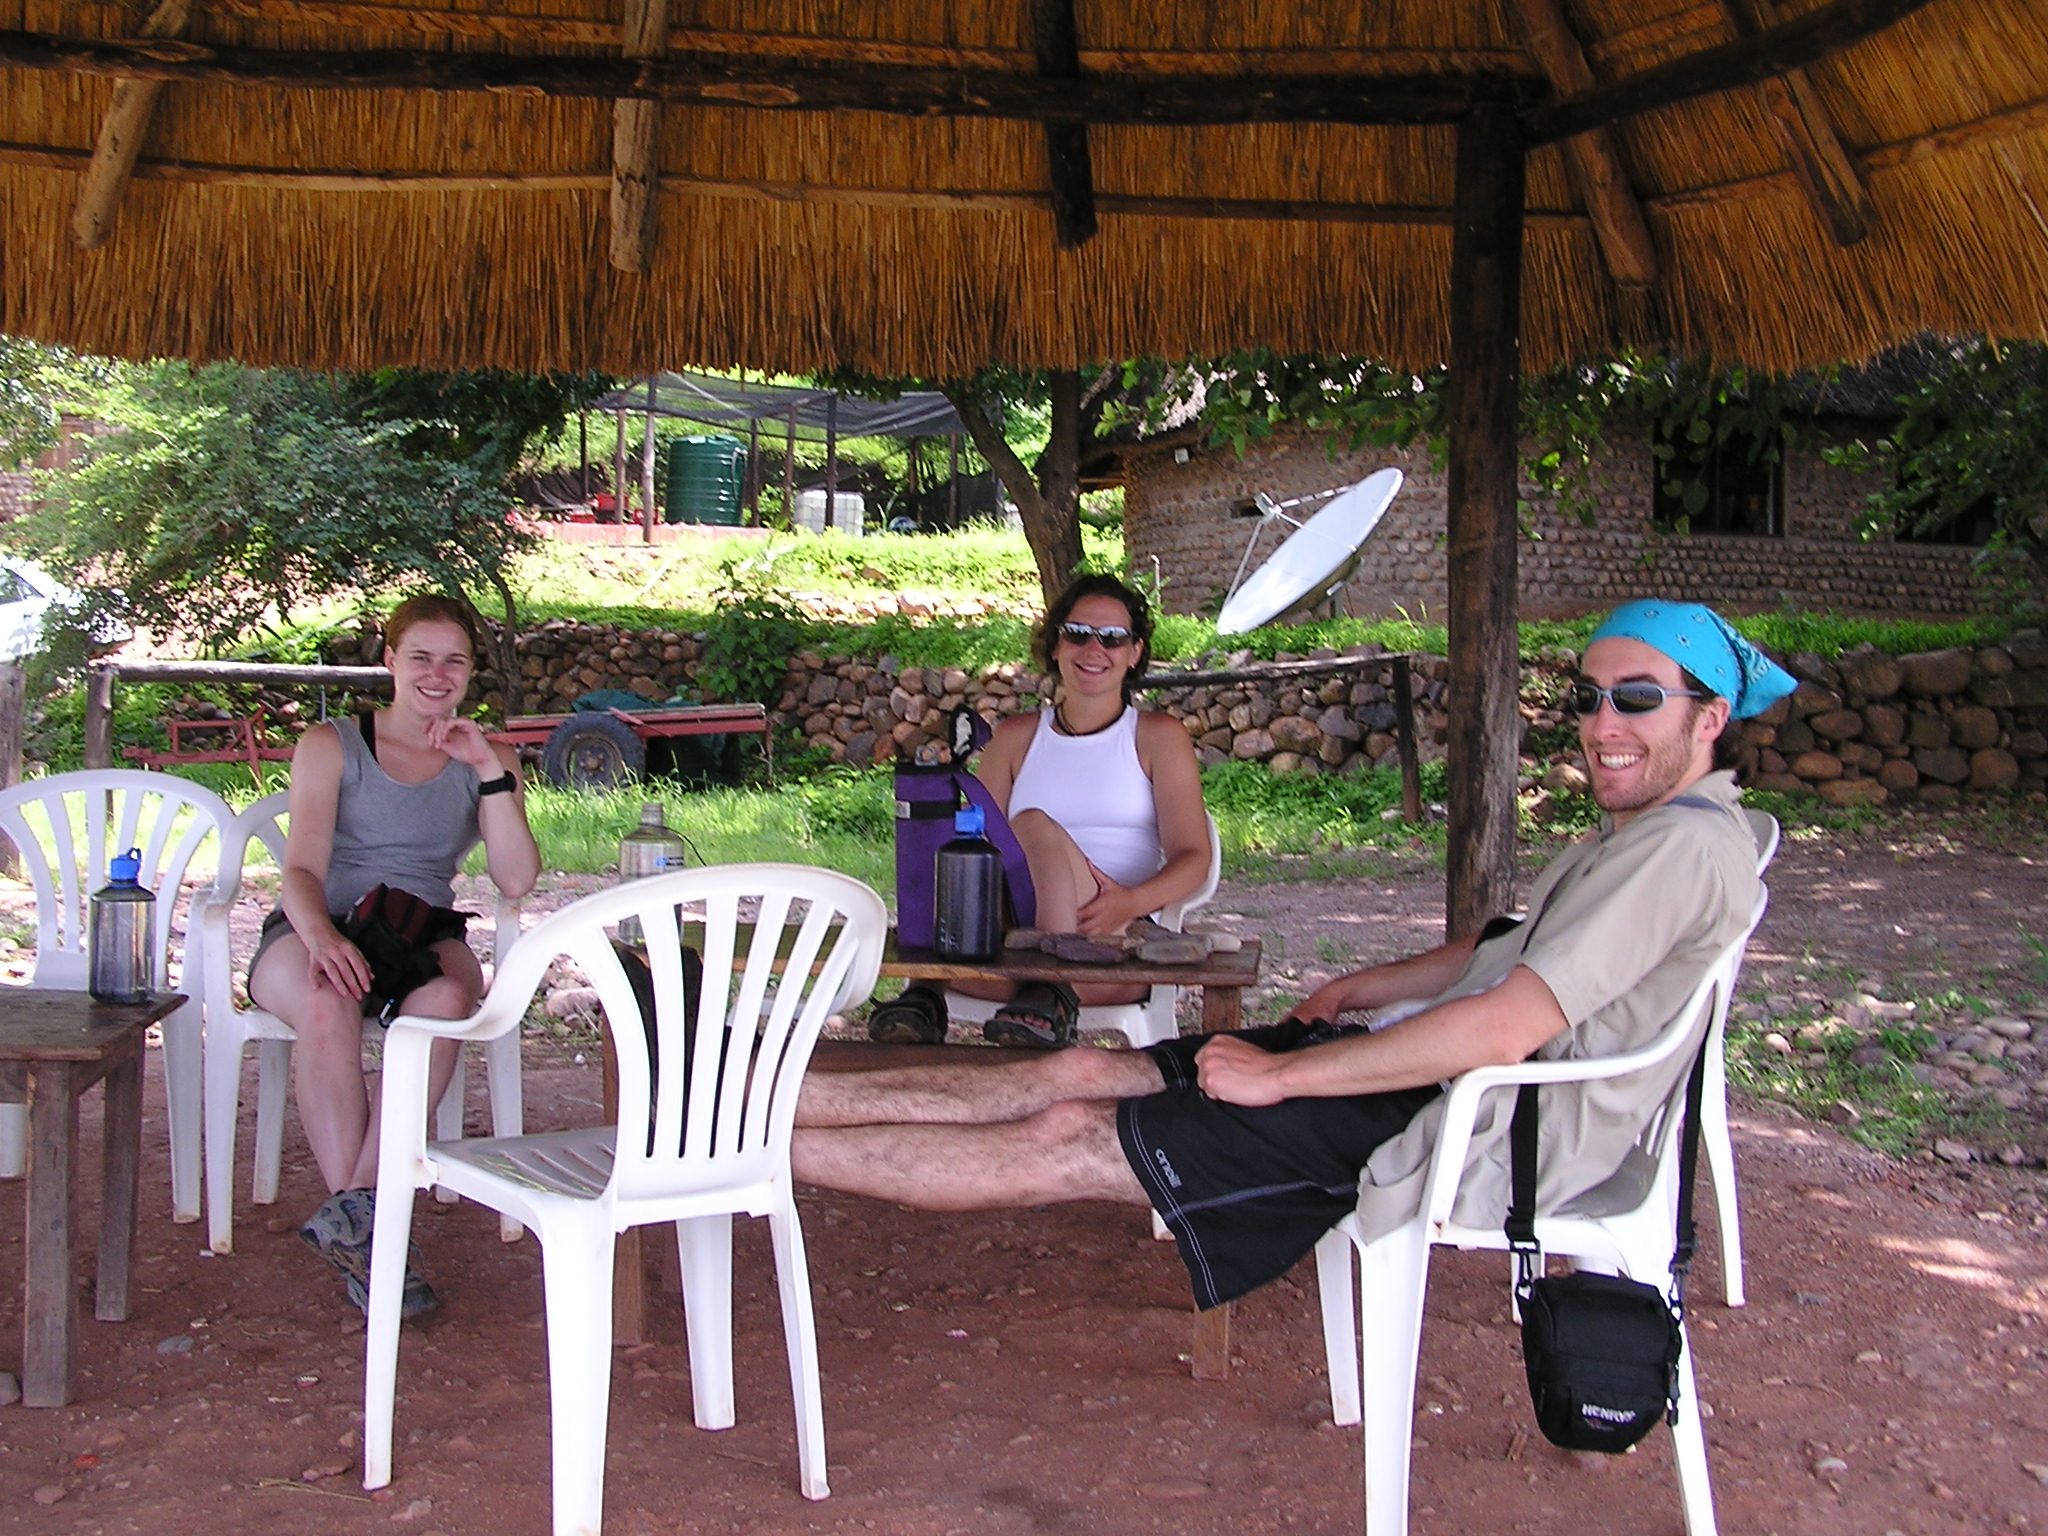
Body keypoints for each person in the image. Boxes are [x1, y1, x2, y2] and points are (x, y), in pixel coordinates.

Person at [796, 600, 1794, 1310]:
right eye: (1587, 698)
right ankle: (757, 1108)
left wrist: (1285, 1076)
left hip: (1467, 1126)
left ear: (1708, 719)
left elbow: (1500, 1026)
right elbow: (1498, 959)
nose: (1601, 723)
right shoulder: (1648, 836)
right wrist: (1368, 986)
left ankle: (751, 1152)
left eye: (1635, 699)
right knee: (1069, 1069)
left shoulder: (1678, 852)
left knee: (1067, 1131)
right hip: (1426, 1081)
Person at [249, 594, 541, 1316]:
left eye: (454, 661)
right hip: (321, 922)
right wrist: (322, 936)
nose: (436, 675)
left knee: (445, 1000)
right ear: (389, 661)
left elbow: (517, 880)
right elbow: (301, 871)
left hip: (420, 930)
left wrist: (485, 769)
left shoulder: (488, 757)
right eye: (420, 658)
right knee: (325, 998)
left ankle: (359, 1217)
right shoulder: (333, 743)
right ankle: (379, 1231)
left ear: (472, 671)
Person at [869, 573, 1211, 1049]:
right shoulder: (1014, 737)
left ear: (1134, 653)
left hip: (1107, 935)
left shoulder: (1157, 736)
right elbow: (976, 840)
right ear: (1054, 645)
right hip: (1016, 929)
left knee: (1030, 823)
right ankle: (938, 994)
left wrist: (1131, 903)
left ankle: (1042, 987)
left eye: (1113, 638)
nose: (1094, 649)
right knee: (956, 857)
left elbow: (1195, 857)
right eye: (1077, 634)